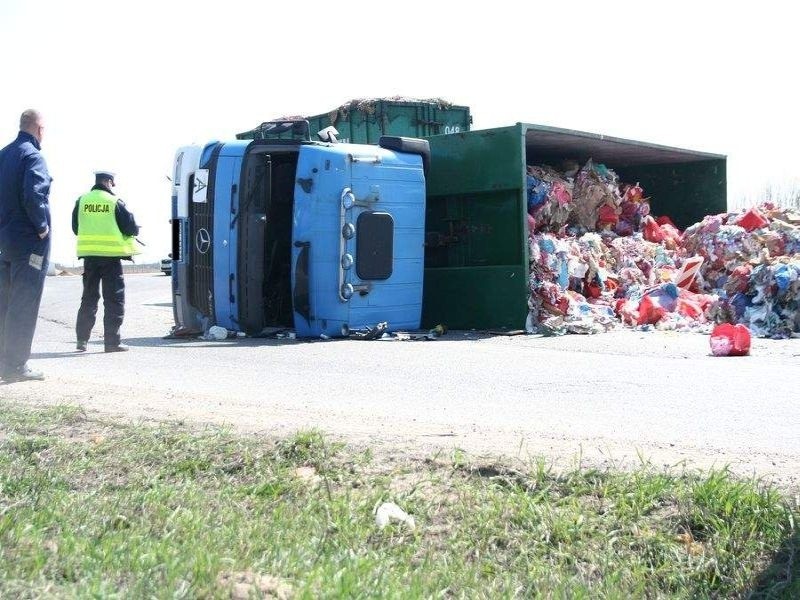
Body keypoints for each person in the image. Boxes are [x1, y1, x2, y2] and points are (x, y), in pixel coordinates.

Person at [0, 109, 52, 382]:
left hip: (5, 243)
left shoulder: (4, 154)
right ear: (39, 129)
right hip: (28, 244)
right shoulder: (33, 156)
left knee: (5, 303)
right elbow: (34, 195)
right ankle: (16, 367)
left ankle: (3, 364)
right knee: (24, 302)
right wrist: (42, 227)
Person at [73, 171, 140, 352]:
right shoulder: (114, 202)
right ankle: (112, 343)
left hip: (89, 258)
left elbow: (75, 227)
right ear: (109, 182)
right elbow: (130, 227)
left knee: (88, 299)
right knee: (114, 300)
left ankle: (82, 341)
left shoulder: (82, 201)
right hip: (110, 259)